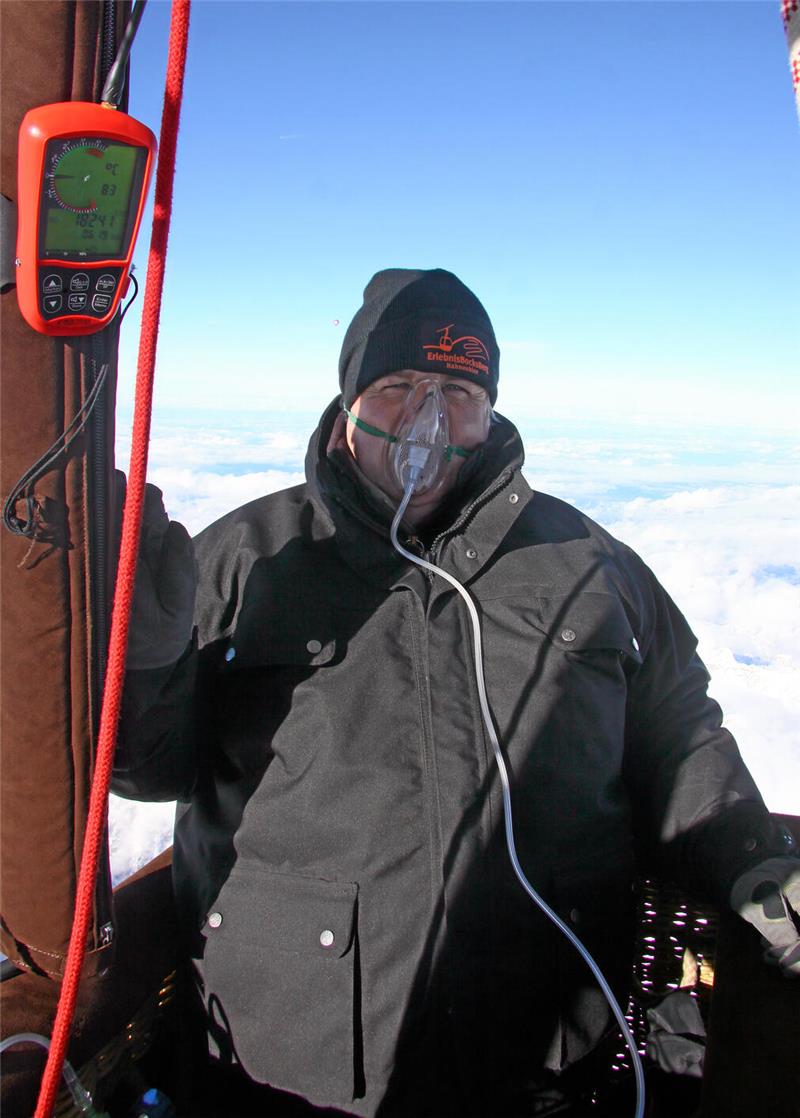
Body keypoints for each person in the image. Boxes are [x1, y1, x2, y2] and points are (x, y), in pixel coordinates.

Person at [114, 268, 800, 1117]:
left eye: (459, 392)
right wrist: (142, 660)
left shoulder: (592, 567)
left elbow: (679, 738)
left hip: (549, 1057)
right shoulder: (247, 559)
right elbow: (149, 771)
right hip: (289, 1070)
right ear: (352, 400)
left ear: (493, 409)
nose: (428, 420)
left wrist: (750, 861)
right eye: (400, 386)